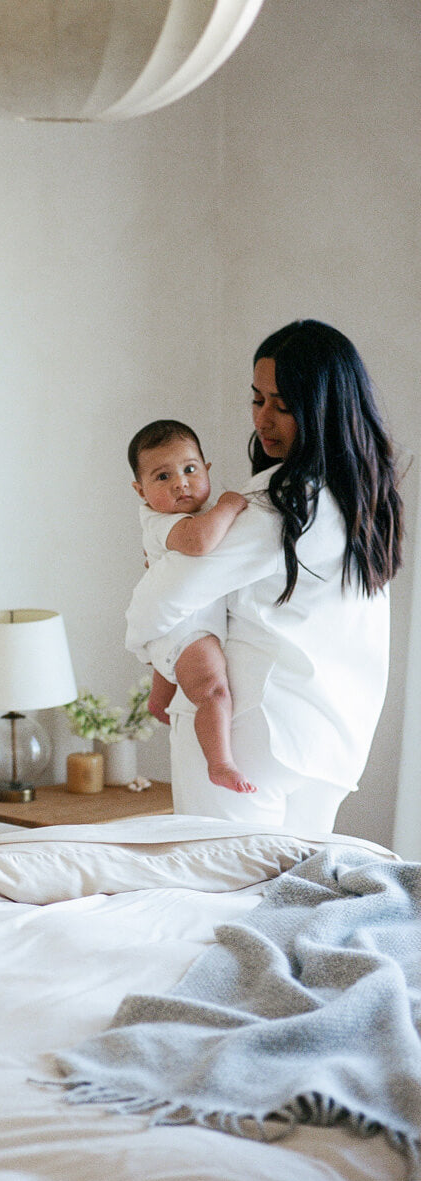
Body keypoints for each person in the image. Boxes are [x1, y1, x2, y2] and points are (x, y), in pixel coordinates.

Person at [125, 320, 403, 836]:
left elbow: (159, 604)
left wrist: (150, 633)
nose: (262, 419)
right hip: (330, 741)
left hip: (247, 727)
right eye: (257, 399)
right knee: (296, 885)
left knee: (218, 878)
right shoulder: (366, 498)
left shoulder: (282, 501)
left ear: (323, 408)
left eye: (283, 405)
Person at [128, 419, 255, 794]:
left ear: (206, 469)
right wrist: (229, 506)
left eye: (189, 469)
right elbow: (199, 542)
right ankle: (220, 763)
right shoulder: (161, 522)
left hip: (175, 624)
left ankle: (159, 700)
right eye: (163, 476)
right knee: (213, 691)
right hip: (187, 627)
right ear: (141, 490)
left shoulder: (197, 511)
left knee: (177, 665)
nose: (180, 483)